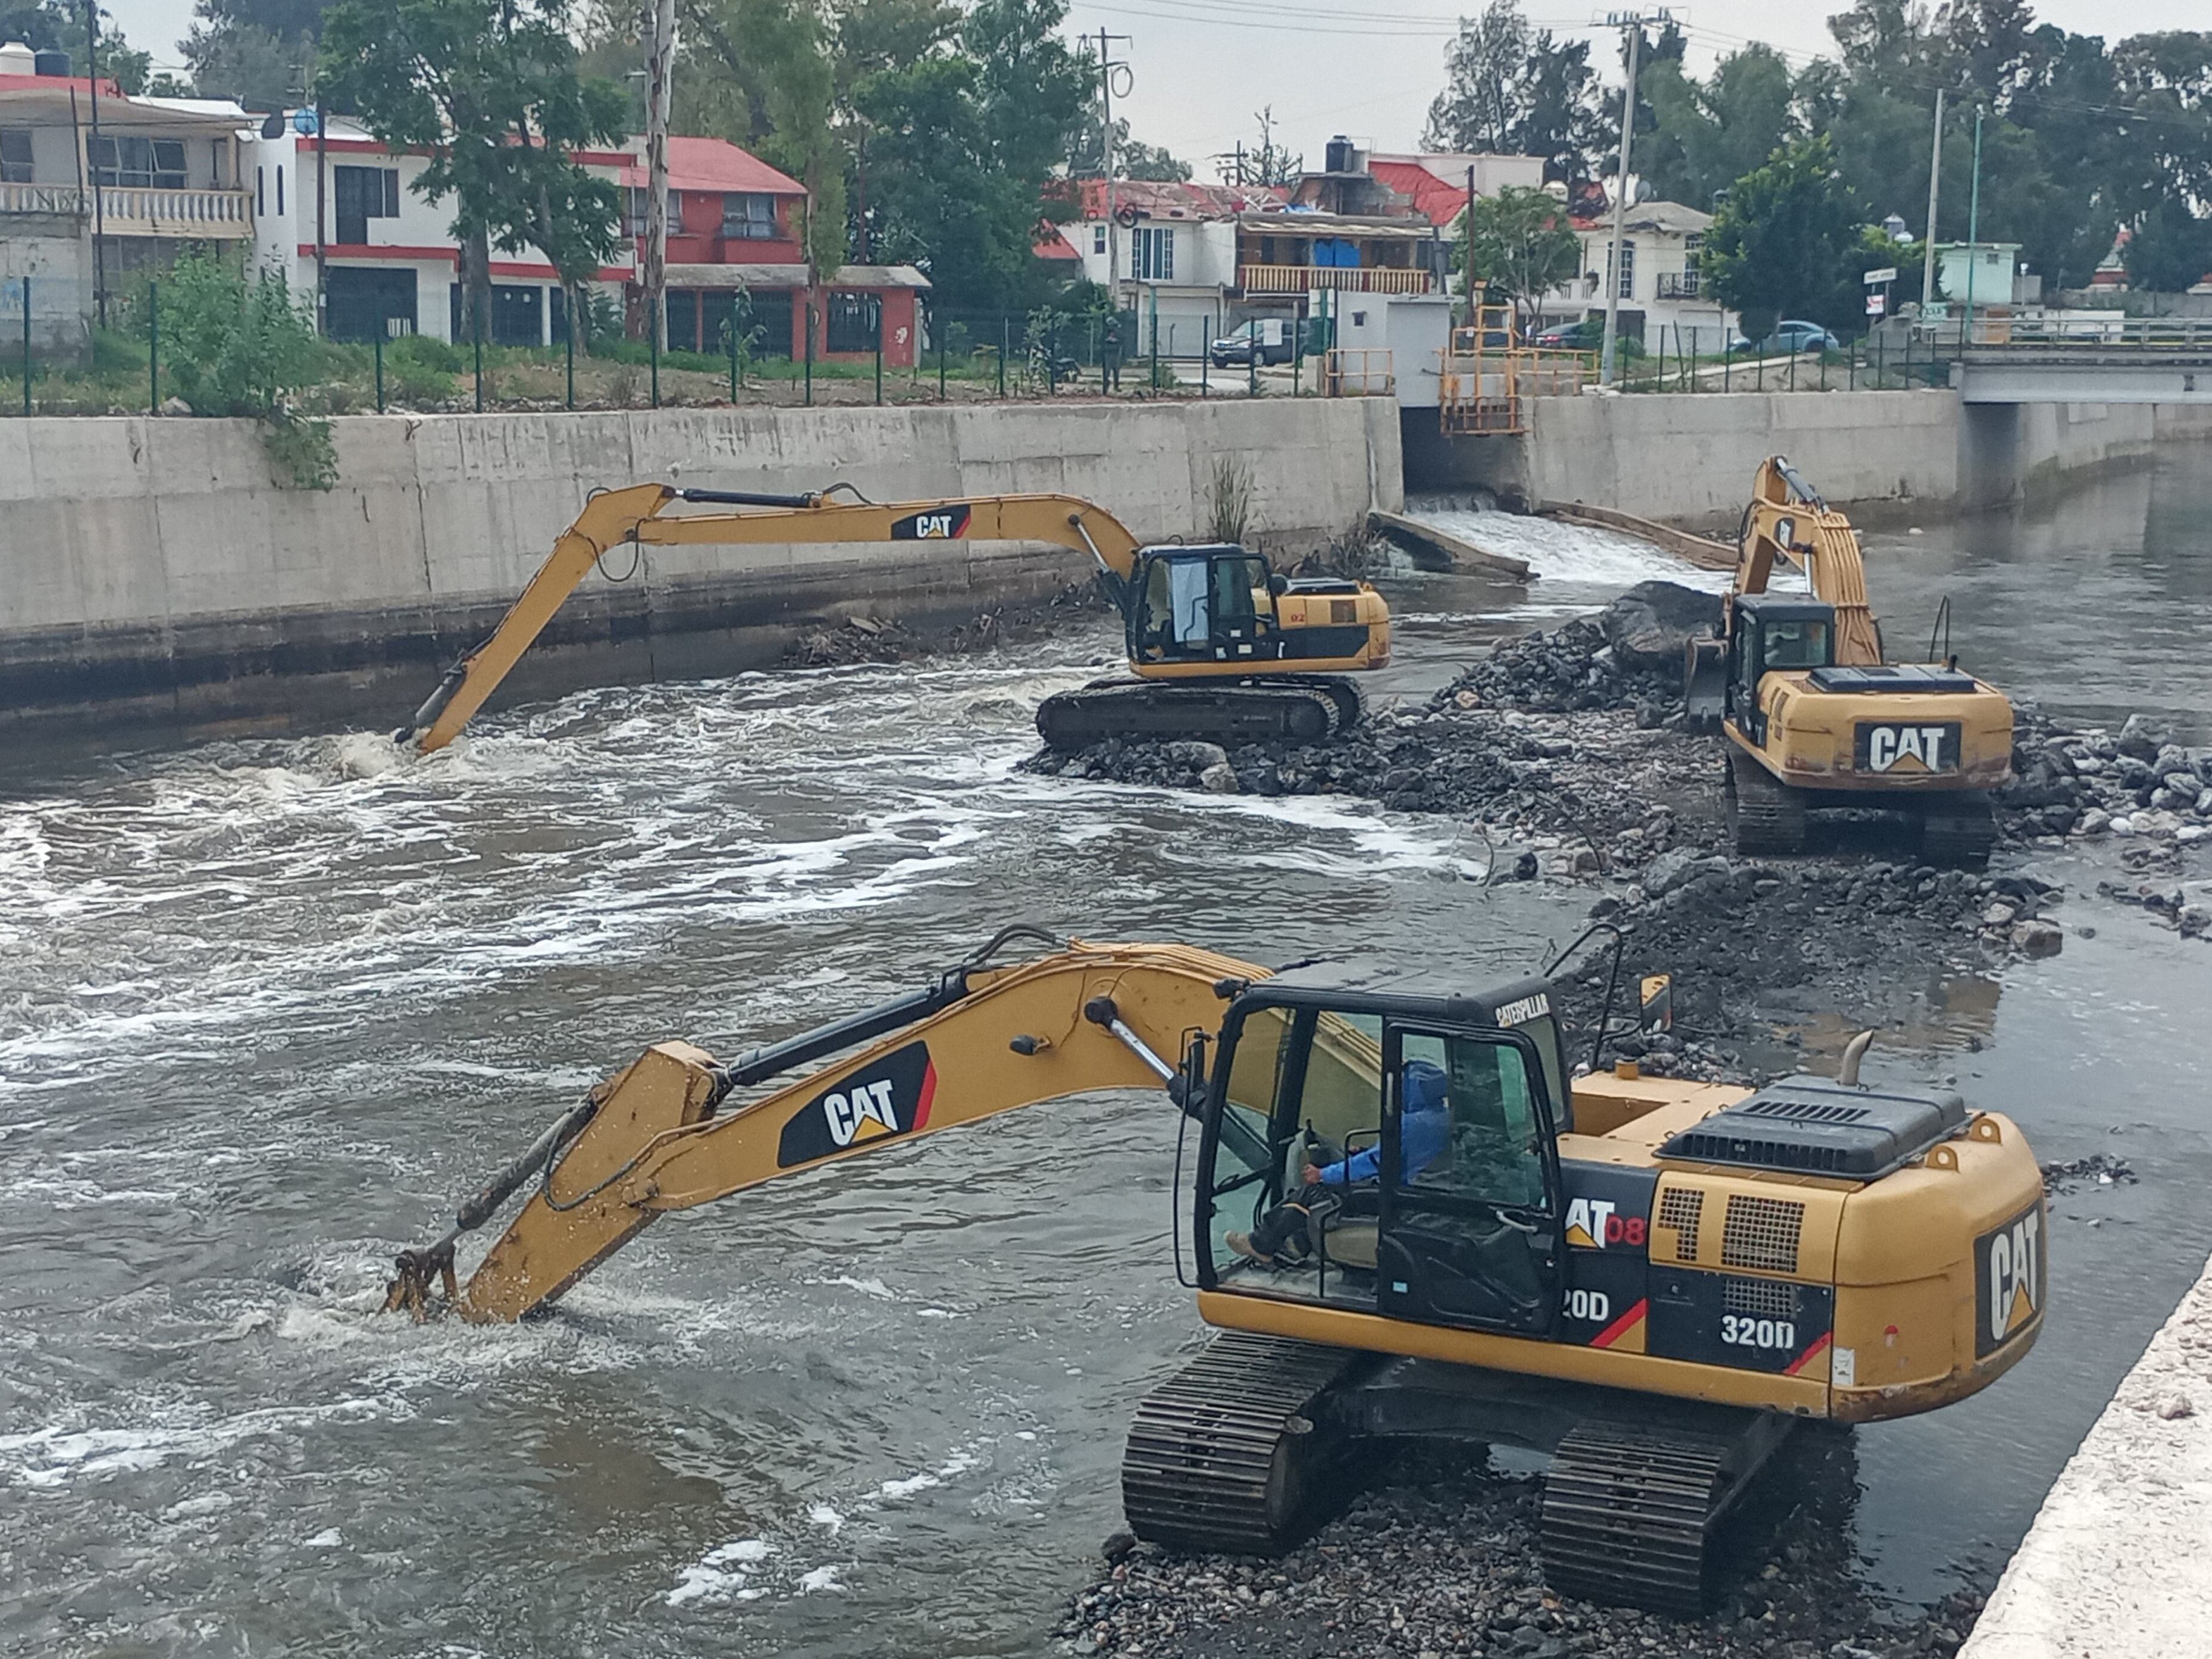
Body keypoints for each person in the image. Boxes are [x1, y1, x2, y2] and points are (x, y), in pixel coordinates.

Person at [1227, 1059, 1449, 1265]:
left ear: (1413, 1089)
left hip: (1394, 1196)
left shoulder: (1412, 1124)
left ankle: (1261, 1244)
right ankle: (1298, 1244)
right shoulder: (1442, 1118)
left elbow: (1374, 1163)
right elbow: (1401, 1157)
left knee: (1313, 1192)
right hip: (1416, 1194)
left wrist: (1323, 1174)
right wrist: (1364, 1152)